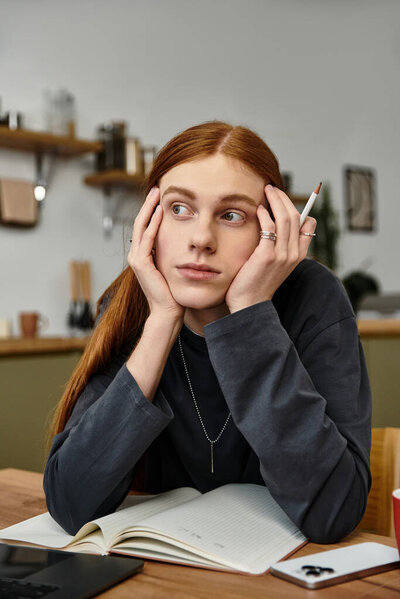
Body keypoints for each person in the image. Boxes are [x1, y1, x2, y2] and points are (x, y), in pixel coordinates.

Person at [44, 120, 371, 543]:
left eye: (232, 215)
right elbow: (71, 502)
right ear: (149, 223)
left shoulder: (314, 298)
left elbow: (335, 513)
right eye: (180, 209)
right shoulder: (131, 304)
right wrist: (161, 320)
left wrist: (250, 312)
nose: (201, 238)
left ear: (270, 230)